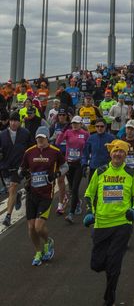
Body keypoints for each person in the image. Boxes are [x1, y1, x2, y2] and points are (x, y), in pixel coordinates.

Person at [84, 139, 134, 306]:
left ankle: (109, 299)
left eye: (121, 152)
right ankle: (109, 271)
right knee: (97, 264)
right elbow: (89, 194)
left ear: (125, 155)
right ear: (111, 154)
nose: (118, 154)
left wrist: (133, 210)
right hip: (101, 224)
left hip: (122, 224)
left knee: (114, 264)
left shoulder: (131, 173)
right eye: (115, 151)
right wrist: (89, 211)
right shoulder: (100, 172)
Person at [19, 126, 68, 265]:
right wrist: (23, 173)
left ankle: (48, 242)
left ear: (47, 138)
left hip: (46, 194)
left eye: (42, 137)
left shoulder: (55, 152)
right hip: (31, 193)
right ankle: (38, 252)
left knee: (38, 227)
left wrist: (57, 174)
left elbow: (65, 166)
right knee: (30, 227)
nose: (40, 140)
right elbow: (21, 168)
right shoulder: (29, 152)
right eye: (38, 137)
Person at [0, 111, 32, 227]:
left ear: (19, 122)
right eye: (12, 121)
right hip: (5, 167)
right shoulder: (2, 135)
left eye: (16, 121)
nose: (13, 123)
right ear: (9, 121)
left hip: (19, 167)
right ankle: (18, 196)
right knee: (11, 190)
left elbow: (30, 149)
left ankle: (8, 216)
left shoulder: (25, 133)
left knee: (12, 187)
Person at [57, 115, 90, 223]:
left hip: (79, 164)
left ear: (81, 124)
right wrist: (63, 130)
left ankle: (71, 213)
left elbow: (89, 147)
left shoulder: (85, 134)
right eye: (73, 123)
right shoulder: (68, 132)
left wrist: (87, 160)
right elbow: (58, 142)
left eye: (76, 123)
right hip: (69, 163)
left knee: (75, 188)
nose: (74, 125)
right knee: (71, 188)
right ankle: (78, 202)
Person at [81, 118, 114, 183]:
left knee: (105, 191)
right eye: (97, 126)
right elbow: (85, 153)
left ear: (105, 127)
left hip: (107, 168)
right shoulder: (91, 138)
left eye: (102, 126)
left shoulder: (111, 138)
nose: (99, 128)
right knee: (92, 191)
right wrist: (84, 164)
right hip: (94, 168)